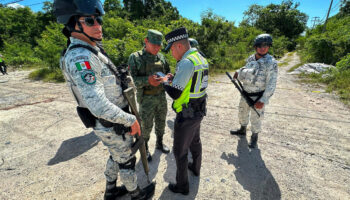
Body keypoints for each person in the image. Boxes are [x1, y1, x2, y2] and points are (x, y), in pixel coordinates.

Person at [53, 0, 155, 199]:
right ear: (73, 24)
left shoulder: (91, 50)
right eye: (90, 21)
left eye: (98, 19)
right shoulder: (81, 57)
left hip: (112, 122)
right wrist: (131, 120)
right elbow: (98, 105)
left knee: (116, 155)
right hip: (112, 122)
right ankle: (136, 194)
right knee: (126, 160)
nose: (98, 25)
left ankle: (110, 190)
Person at [161, 27, 208, 195]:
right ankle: (196, 168)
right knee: (195, 141)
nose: (171, 54)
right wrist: (175, 79)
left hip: (187, 114)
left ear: (178, 46)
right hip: (199, 110)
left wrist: (165, 81)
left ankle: (182, 187)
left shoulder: (186, 62)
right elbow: (192, 82)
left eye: (171, 49)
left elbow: (175, 93)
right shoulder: (200, 58)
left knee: (180, 152)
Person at [128, 30, 170, 162]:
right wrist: (148, 80)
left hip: (161, 97)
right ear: (146, 41)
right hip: (146, 99)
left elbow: (167, 72)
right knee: (146, 126)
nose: (157, 48)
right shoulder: (135, 57)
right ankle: (144, 148)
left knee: (161, 122)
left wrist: (169, 77)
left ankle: (160, 142)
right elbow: (131, 80)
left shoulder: (162, 57)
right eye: (154, 45)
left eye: (159, 45)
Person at [230, 33, 278, 149]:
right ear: (255, 47)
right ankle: (242, 129)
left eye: (266, 45)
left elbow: (271, 83)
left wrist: (264, 100)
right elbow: (246, 69)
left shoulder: (271, 62)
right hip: (245, 93)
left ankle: (254, 137)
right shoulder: (251, 58)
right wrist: (238, 72)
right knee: (242, 112)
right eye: (260, 45)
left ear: (269, 47)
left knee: (256, 118)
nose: (263, 48)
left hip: (258, 95)